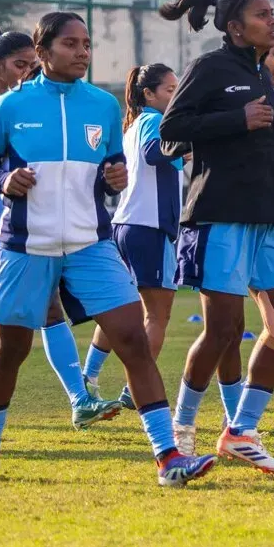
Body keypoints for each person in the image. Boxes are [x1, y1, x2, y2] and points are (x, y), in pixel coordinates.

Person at [0, 11, 212, 486]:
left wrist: (113, 176)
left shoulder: (101, 105)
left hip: (91, 245)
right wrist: (3, 180)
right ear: (42, 52)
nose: (82, 52)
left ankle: (168, 458)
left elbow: (113, 164)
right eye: (71, 44)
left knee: (134, 340)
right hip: (24, 246)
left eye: (86, 44)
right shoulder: (11, 106)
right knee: (9, 350)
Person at [161, 0, 274, 471]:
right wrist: (236, 118)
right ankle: (182, 429)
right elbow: (171, 132)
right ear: (235, 26)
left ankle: (240, 431)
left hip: (270, 219)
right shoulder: (210, 68)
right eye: (263, 14)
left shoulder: (270, 83)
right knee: (222, 329)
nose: (273, 20)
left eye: (273, 12)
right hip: (219, 215)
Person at [0, 22, 121, 442]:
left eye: (34, 66)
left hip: (35, 233)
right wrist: (0, 176)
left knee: (52, 312)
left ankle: (80, 399)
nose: (29, 73)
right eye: (21, 65)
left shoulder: (58, 105)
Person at [83, 62, 182, 412]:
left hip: (125, 226)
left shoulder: (134, 125)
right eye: (169, 90)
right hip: (149, 229)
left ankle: (89, 377)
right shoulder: (156, 122)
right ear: (149, 94)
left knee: (120, 312)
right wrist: (190, 139)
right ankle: (133, 388)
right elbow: (156, 154)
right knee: (158, 316)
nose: (175, 94)